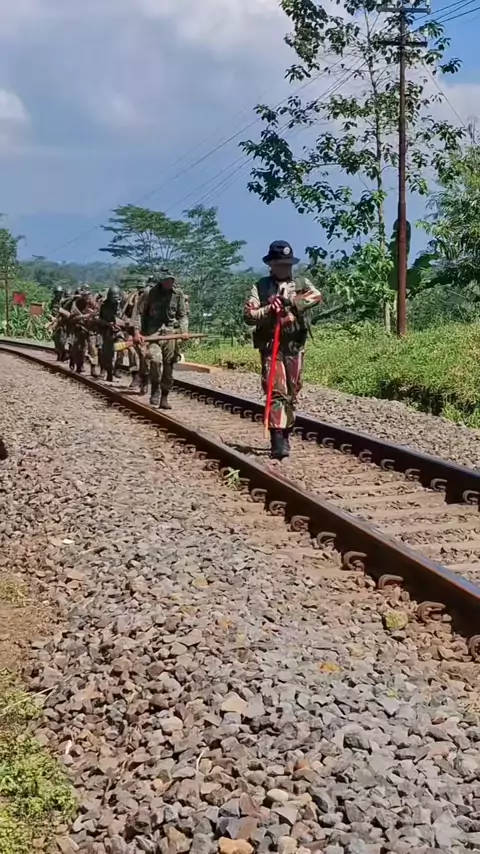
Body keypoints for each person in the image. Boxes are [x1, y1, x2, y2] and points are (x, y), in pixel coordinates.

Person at [244, 240, 322, 460]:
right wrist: (270, 309)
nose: (284, 268)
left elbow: (316, 296)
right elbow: (249, 315)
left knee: (292, 389)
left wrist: (291, 302)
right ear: (271, 265)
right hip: (272, 346)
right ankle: (278, 439)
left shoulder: (301, 283)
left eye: (287, 264)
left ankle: (285, 430)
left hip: (295, 345)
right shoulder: (260, 286)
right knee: (276, 390)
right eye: (279, 264)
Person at [141, 272, 188, 409]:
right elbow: (140, 314)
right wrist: (138, 332)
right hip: (153, 334)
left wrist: (184, 331)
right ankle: (155, 389)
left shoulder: (178, 294)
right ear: (161, 281)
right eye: (166, 280)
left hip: (170, 334)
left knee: (168, 366)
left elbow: (182, 315)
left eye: (171, 280)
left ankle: (164, 397)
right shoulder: (150, 293)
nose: (169, 283)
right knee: (155, 360)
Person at [98, 285, 124, 382]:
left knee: (121, 349)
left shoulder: (123, 305)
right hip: (107, 331)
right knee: (107, 354)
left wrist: (121, 323)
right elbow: (98, 319)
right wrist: (108, 324)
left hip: (120, 332)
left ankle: (117, 367)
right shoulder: (103, 305)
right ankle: (108, 371)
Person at [49, 285, 67, 361]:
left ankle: (63, 354)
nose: (58, 295)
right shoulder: (52, 302)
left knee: (62, 340)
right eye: (57, 293)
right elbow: (48, 311)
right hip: (54, 323)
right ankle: (59, 354)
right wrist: (50, 317)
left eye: (59, 293)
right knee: (56, 339)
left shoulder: (64, 302)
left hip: (62, 323)